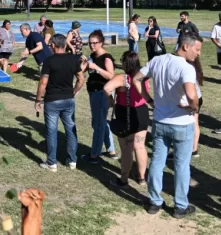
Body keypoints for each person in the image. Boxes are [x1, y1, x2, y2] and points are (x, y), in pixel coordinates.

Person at [133, 32, 202, 218]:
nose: (199, 54)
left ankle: (155, 201)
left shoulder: (157, 60)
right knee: (181, 166)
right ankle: (180, 206)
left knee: (157, 162)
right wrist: (193, 107)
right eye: (197, 49)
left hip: (160, 121)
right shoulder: (187, 68)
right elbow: (191, 95)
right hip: (182, 124)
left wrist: (149, 101)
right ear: (186, 46)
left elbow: (136, 79)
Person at [34, 34, 84, 171]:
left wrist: (38, 100)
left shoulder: (49, 61)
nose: (50, 47)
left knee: (51, 132)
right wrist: (73, 92)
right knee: (71, 129)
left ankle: (52, 163)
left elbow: (43, 82)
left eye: (50, 45)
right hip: (68, 100)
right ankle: (72, 160)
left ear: (54, 45)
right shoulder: (73, 59)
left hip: (52, 101)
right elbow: (81, 79)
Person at [103, 51, 150, 186]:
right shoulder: (143, 76)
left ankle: (124, 179)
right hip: (141, 111)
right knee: (140, 146)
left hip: (126, 113)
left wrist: (111, 99)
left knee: (127, 148)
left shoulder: (123, 78)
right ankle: (141, 177)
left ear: (125, 63)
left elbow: (106, 88)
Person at [81, 30, 117, 164]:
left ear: (101, 43)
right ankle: (111, 150)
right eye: (89, 43)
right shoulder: (92, 56)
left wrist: (96, 68)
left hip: (102, 93)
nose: (91, 46)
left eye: (94, 43)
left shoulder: (106, 58)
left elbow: (111, 76)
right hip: (94, 92)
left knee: (98, 124)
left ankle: (95, 154)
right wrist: (85, 63)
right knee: (101, 122)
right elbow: (83, 71)